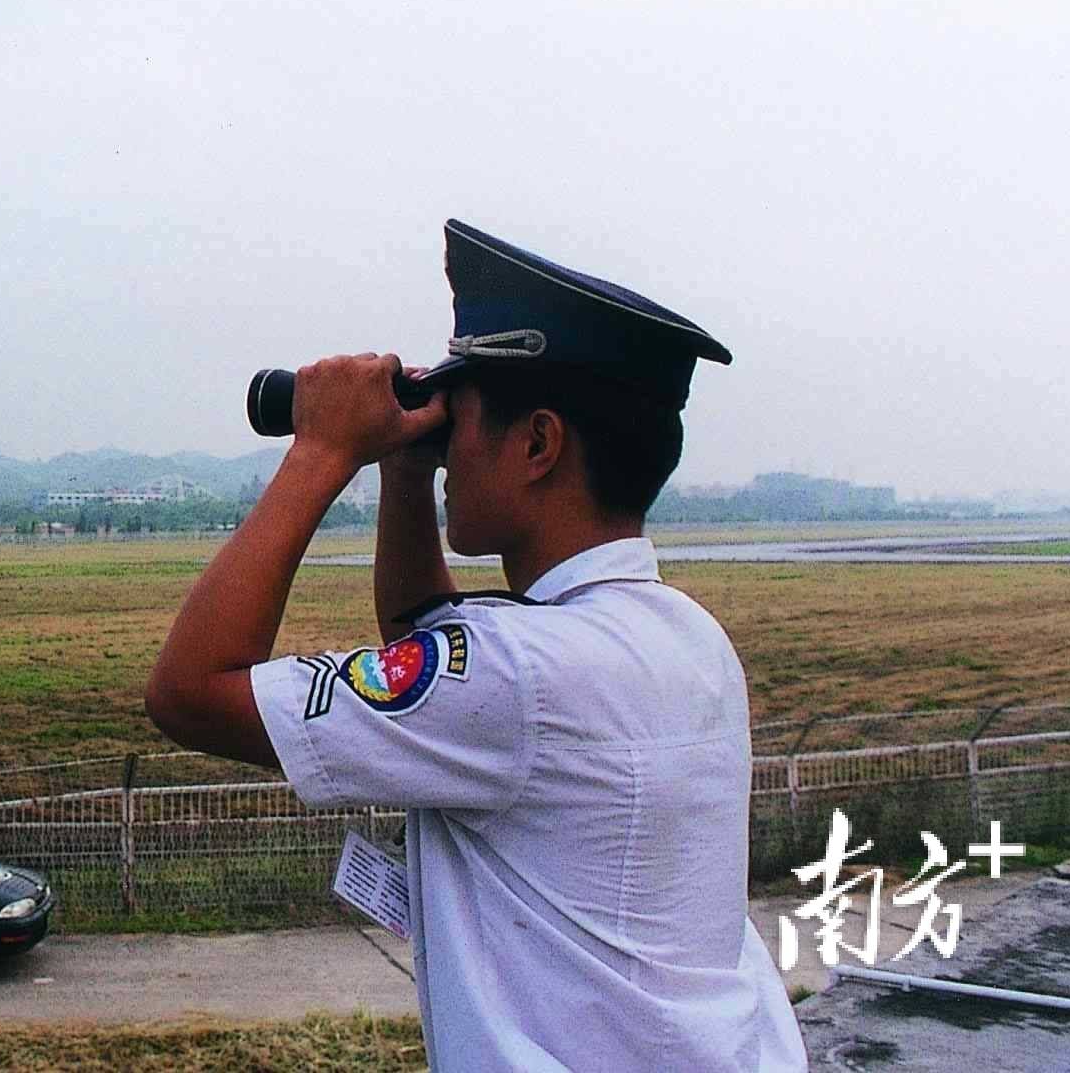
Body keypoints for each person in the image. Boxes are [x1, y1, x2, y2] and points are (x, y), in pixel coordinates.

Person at [145, 219, 807, 1070]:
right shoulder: (684, 636)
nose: (448, 449)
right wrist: (406, 471)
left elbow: (189, 692)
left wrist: (325, 448)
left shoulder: (521, 674)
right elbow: (432, 642)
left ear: (537, 444)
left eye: (458, 426)